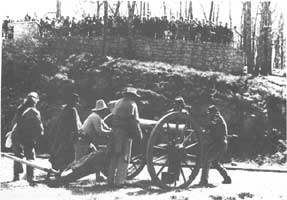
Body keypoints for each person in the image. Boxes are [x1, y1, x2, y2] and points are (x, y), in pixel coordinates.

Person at [107, 87, 143, 187]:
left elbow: (112, 115)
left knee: (114, 156)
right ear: (132, 96)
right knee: (124, 158)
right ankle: (120, 182)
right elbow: (135, 121)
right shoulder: (132, 104)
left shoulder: (117, 103)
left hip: (114, 132)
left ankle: (110, 180)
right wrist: (140, 135)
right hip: (125, 134)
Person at [71, 99, 111, 181]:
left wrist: (110, 130)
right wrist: (110, 133)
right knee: (78, 160)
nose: (104, 112)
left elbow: (105, 126)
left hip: (86, 140)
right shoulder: (95, 117)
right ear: (102, 110)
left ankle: (98, 177)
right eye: (104, 110)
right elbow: (100, 131)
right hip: (82, 140)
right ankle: (71, 177)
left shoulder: (98, 117)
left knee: (96, 157)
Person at [11, 92, 44, 184]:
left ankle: (16, 176)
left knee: (17, 156)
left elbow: (13, 123)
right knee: (30, 156)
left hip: (17, 135)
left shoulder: (20, 109)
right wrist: (39, 134)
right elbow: (39, 126)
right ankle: (31, 178)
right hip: (27, 136)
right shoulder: (34, 111)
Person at [49, 93, 82, 174]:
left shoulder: (64, 110)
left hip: (60, 135)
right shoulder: (72, 110)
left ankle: (58, 171)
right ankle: (62, 173)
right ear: (73, 102)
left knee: (59, 154)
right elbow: (75, 125)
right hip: (68, 137)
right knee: (68, 156)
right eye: (76, 102)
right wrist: (77, 135)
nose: (77, 104)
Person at [199, 105, 232, 186]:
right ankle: (227, 178)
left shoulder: (216, 118)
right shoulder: (217, 118)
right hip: (221, 143)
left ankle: (204, 181)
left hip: (219, 143)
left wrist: (203, 128)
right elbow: (211, 128)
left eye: (209, 113)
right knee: (215, 162)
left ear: (213, 112)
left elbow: (210, 127)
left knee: (207, 160)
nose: (208, 114)